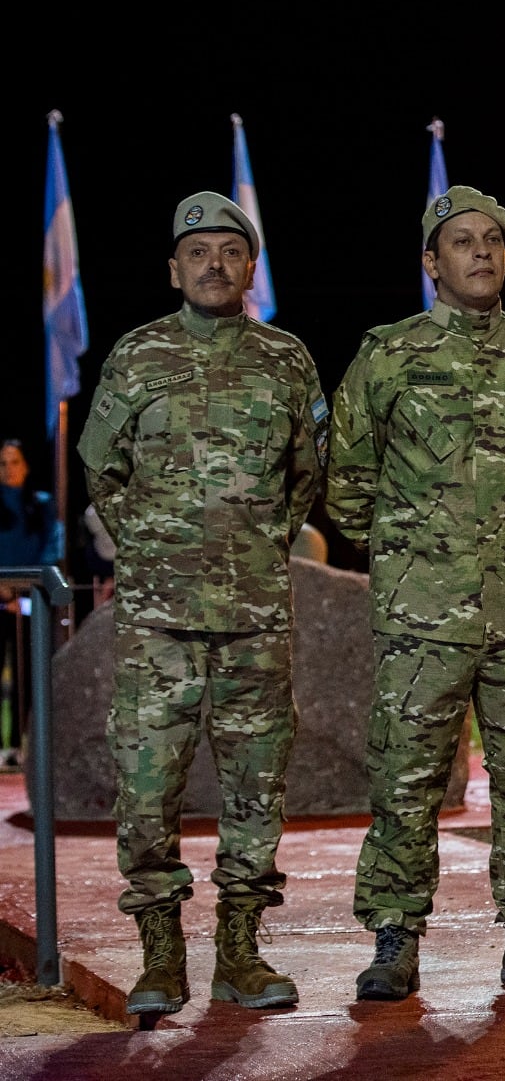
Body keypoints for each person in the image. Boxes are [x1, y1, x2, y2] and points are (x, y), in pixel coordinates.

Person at [324, 185, 505, 1001]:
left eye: (492, 241)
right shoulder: (387, 355)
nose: (479, 252)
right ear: (430, 261)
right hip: (421, 615)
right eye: (461, 241)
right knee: (407, 774)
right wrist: (414, 555)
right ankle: (395, 938)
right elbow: (348, 482)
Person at [75, 192, 327, 1016]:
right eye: (198, 252)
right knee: (147, 790)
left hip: (256, 617)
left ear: (250, 267)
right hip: (158, 621)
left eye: (229, 250)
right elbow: (100, 472)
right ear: (173, 268)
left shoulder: (286, 359)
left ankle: (242, 954)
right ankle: (159, 955)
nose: (214, 264)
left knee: (257, 790)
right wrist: (156, 549)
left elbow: (307, 476)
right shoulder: (137, 355)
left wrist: (252, 546)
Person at [0, 439, 66, 768]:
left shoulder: (41, 504)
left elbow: (52, 549)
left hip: (30, 603)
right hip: (0, 600)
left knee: (31, 672)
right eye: (3, 463)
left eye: (14, 462)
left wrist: (22, 590)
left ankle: (28, 744)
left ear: (25, 466)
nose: (8, 469)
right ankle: (5, 745)